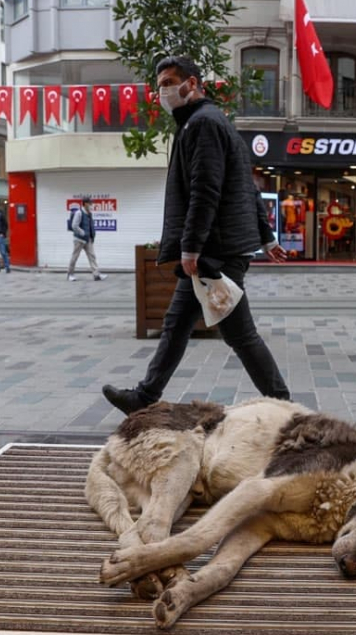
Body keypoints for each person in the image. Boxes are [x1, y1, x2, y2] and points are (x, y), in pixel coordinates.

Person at [102, 55, 291, 414]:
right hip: (216, 247)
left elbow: (207, 190)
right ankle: (144, 396)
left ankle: (284, 406)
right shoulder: (207, 122)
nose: (163, 91)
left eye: (169, 82)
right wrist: (267, 237)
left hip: (215, 251)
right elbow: (247, 186)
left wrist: (190, 248)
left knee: (240, 334)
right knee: (177, 323)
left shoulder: (203, 124)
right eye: (159, 85)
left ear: (192, 83)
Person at [67, 198, 107, 282]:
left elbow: (90, 226)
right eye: (90, 203)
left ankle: (96, 275)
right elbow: (74, 225)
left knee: (92, 256)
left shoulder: (89, 213)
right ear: (85, 204)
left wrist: (92, 236)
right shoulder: (79, 213)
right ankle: (70, 275)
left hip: (88, 239)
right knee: (75, 257)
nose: (91, 205)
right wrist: (82, 233)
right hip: (79, 240)